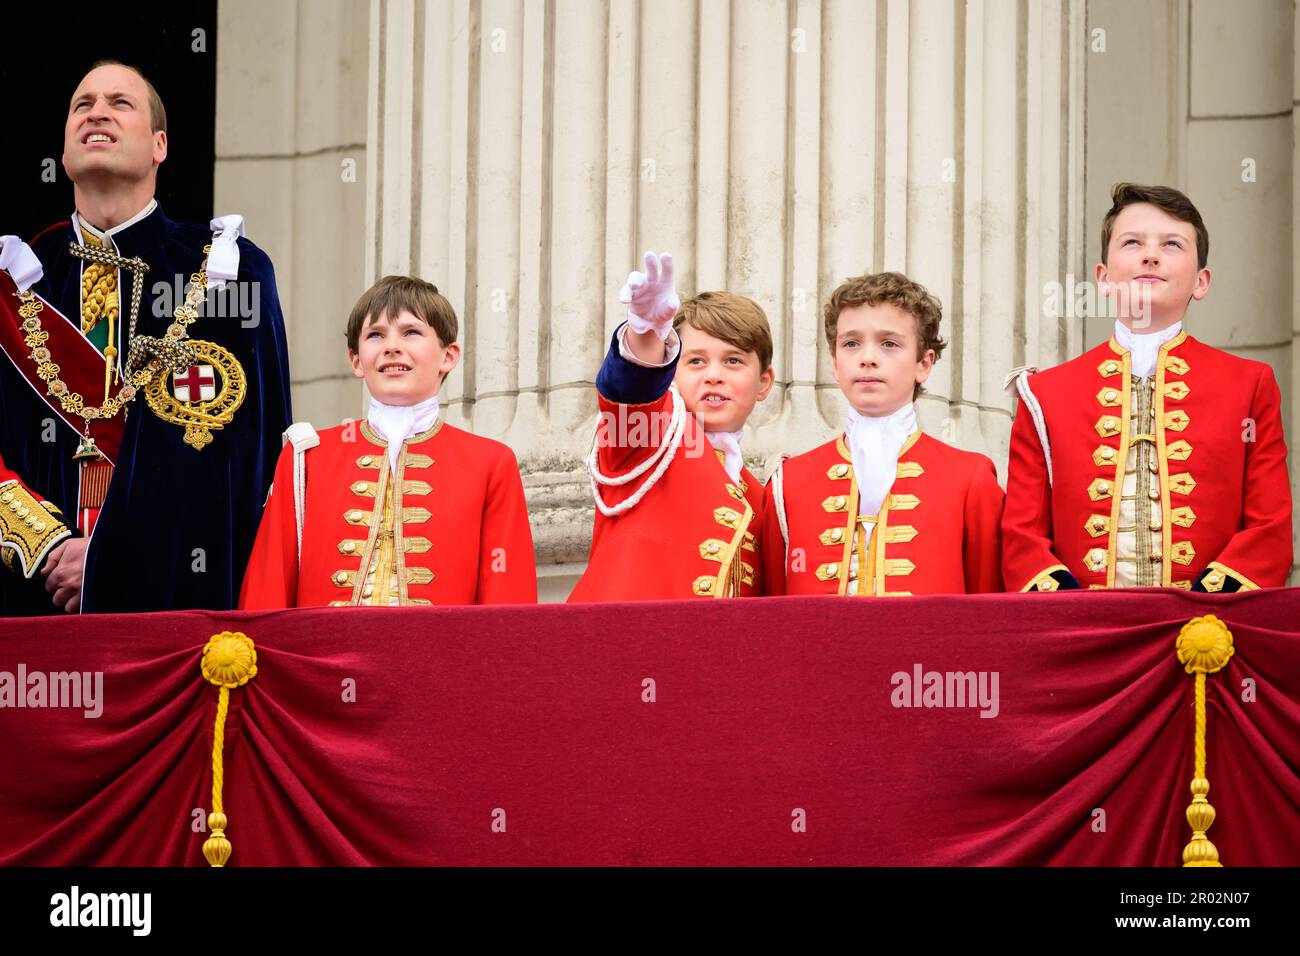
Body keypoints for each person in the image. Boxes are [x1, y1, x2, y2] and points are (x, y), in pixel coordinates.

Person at [0, 60, 291, 614]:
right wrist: (45, 544)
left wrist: (113, 557)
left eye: (119, 102)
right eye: (82, 105)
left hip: (179, 610)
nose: (97, 113)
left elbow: (246, 463)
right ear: (63, 154)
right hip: (30, 606)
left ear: (160, 145)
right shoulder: (14, 283)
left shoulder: (229, 273)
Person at [1002, 183, 1292, 592]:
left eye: (1172, 244)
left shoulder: (1250, 384)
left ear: (1201, 281)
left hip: (1208, 630)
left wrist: (1203, 609)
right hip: (1083, 634)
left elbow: (1269, 530)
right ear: (1103, 279)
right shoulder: (1044, 394)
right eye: (1132, 242)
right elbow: (1021, 538)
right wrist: (1071, 610)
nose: (1150, 254)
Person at [239, 275, 536, 607]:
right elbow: (269, 585)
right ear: (356, 360)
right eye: (375, 335)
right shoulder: (306, 456)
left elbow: (507, 599)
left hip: (440, 658)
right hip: (321, 657)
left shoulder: (490, 462)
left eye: (411, 332)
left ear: (448, 356)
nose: (392, 346)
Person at [760, 271, 1004, 596]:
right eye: (851, 344)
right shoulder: (788, 483)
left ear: (924, 364)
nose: (868, 359)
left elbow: (987, 610)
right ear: (835, 362)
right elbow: (774, 610)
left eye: (889, 344)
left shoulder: (969, 478)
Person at [568, 252, 774, 601]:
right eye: (695, 361)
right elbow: (631, 392)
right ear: (672, 371)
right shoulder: (648, 436)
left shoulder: (760, 497)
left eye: (733, 361)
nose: (713, 376)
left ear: (764, 382)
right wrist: (645, 336)